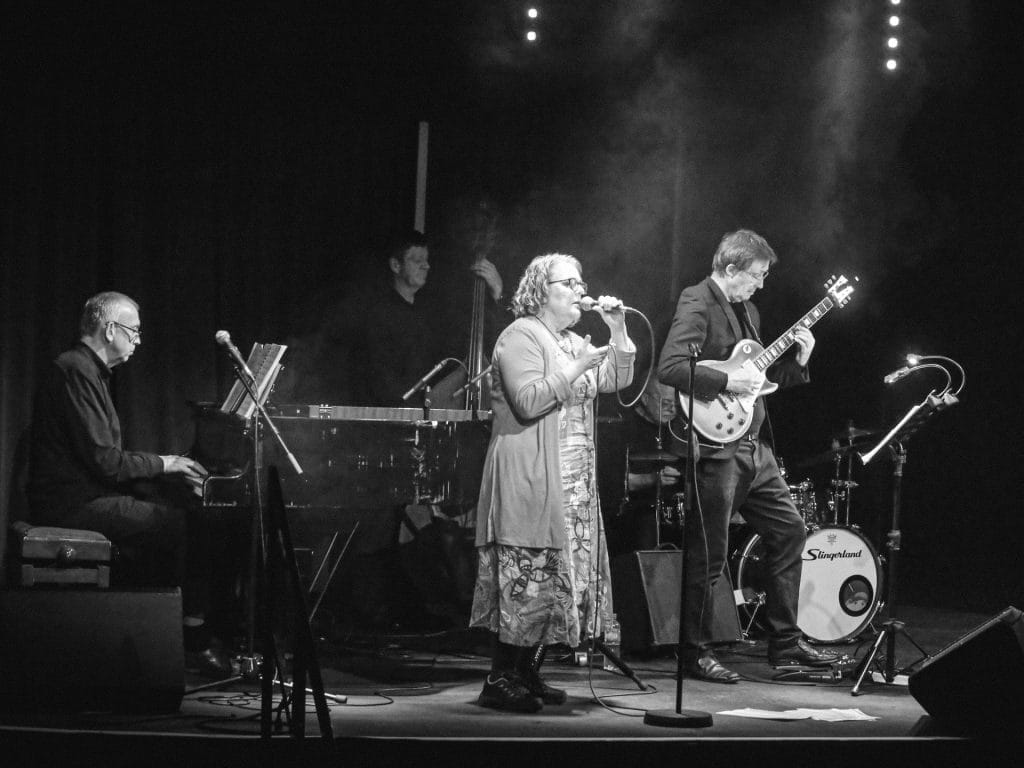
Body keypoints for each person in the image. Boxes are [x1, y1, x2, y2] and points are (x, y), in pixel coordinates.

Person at [657, 229, 840, 683]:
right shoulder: (697, 301)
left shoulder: (749, 311)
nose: (760, 285)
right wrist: (725, 384)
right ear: (731, 269)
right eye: (756, 276)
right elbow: (671, 367)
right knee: (710, 554)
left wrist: (797, 361)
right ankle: (694, 653)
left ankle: (785, 645)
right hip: (717, 450)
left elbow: (759, 380)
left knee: (791, 531)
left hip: (754, 448)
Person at [26, 291, 231, 679]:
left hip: (87, 493)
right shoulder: (75, 371)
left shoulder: (87, 373)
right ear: (109, 329)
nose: (138, 340)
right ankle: (190, 640)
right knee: (184, 524)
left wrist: (163, 470)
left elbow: (103, 458)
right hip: (71, 504)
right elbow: (105, 461)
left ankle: (170, 634)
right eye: (134, 332)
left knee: (178, 507)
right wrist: (165, 463)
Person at [469, 253, 636, 712]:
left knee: (556, 584)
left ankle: (527, 672)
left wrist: (617, 329)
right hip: (531, 474)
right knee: (527, 577)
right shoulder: (520, 335)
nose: (582, 288)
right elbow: (527, 400)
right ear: (544, 289)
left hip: (573, 483)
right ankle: (500, 678)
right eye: (572, 281)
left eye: (582, 280)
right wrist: (578, 366)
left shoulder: (565, 340)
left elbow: (617, 378)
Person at [357, 228, 506, 406]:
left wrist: (497, 294)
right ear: (396, 266)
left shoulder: (434, 312)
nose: (426, 266)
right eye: (418, 260)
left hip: (431, 415)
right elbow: (380, 380)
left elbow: (478, 347)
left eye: (426, 260)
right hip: (396, 415)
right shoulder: (378, 314)